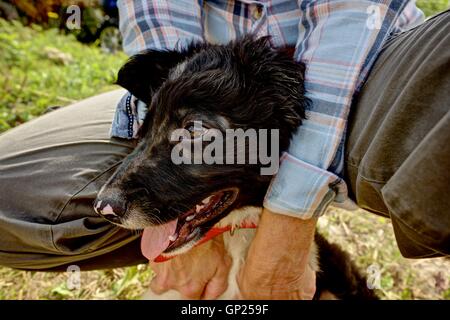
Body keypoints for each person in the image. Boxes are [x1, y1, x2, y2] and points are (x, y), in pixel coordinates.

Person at [0, 0, 448, 300]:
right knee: (9, 194)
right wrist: (188, 221)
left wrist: (286, 233)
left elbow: (351, 22)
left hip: (371, 75)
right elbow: (162, 32)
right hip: (209, 76)